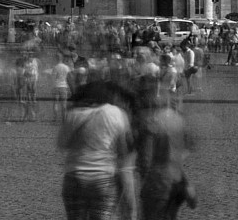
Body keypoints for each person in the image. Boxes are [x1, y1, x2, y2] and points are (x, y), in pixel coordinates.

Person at [59, 79, 135, 220]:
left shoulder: (73, 114)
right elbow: (123, 153)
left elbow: (62, 144)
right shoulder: (116, 113)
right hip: (103, 178)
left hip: (74, 175)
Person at [133, 78, 194, 220]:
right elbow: (185, 148)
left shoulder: (150, 123)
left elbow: (146, 158)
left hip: (156, 182)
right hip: (176, 180)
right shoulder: (177, 120)